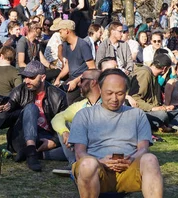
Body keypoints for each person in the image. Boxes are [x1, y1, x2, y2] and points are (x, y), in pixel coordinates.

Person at [69, 68, 163, 198]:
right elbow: (80, 153)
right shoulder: (84, 115)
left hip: (128, 168)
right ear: (100, 90)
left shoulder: (137, 114)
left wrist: (131, 159)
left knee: (150, 159)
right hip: (97, 169)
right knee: (87, 163)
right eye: (109, 93)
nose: (114, 98)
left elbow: (143, 148)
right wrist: (100, 161)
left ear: (126, 93)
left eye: (119, 93)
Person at [0, 61, 68, 172]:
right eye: (25, 77)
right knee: (31, 108)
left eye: (31, 77)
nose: (26, 81)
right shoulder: (20, 90)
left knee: (74, 151)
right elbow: (5, 117)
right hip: (21, 136)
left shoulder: (59, 97)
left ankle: (37, 154)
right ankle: (31, 152)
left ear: (43, 77)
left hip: (45, 138)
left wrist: (54, 142)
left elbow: (65, 124)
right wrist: (8, 107)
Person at [51, 69, 102, 174]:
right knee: (66, 124)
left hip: (102, 150)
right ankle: (73, 164)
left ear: (93, 82)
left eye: (82, 80)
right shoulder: (81, 105)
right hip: (82, 149)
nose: (79, 84)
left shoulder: (108, 104)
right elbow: (57, 118)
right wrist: (65, 132)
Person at [129, 51, 178, 132]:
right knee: (162, 115)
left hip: (154, 111)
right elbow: (135, 98)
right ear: (165, 68)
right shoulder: (145, 73)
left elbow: (154, 101)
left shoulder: (154, 77)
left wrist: (165, 107)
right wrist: (153, 108)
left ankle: (169, 126)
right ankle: (164, 125)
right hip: (143, 112)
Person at [52, 20, 95, 104]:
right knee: (56, 94)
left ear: (67, 31)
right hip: (71, 79)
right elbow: (68, 65)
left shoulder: (83, 45)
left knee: (68, 100)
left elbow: (92, 68)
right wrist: (58, 78)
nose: (59, 35)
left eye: (60, 32)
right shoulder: (66, 45)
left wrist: (76, 81)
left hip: (83, 81)